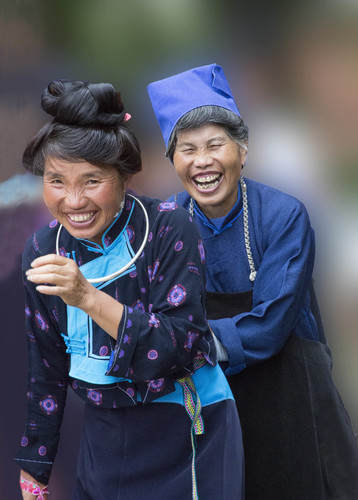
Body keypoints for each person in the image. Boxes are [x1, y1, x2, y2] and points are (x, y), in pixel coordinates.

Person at [14, 79, 244, 500]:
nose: (74, 200)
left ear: (125, 177)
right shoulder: (43, 248)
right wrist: (35, 466)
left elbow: (181, 345)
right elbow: (45, 366)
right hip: (105, 434)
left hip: (185, 426)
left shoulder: (168, 227)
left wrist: (86, 297)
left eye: (91, 180)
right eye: (57, 181)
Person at [147, 63, 358, 500]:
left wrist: (179, 343)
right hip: (214, 401)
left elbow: (270, 325)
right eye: (186, 149)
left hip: (293, 391)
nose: (201, 161)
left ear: (243, 151)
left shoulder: (283, 214)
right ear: (173, 161)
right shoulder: (167, 222)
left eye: (215, 145)